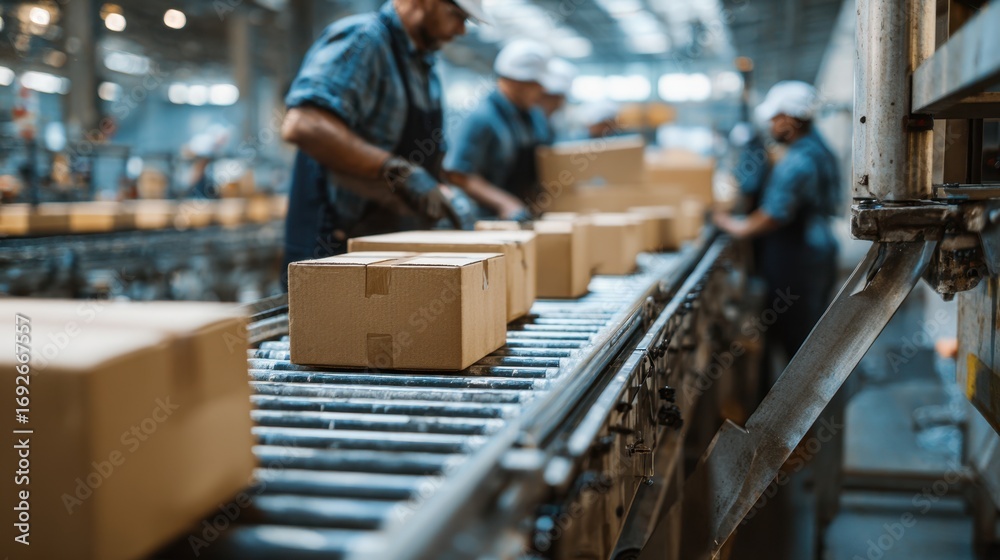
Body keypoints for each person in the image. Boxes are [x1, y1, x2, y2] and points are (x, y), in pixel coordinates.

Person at [280, 0, 486, 278]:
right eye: (456, 15)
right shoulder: (364, 40)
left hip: (388, 248)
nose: (462, 30)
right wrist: (398, 171)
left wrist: (444, 193)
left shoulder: (425, 65)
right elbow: (303, 125)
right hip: (335, 247)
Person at [713, 81, 840, 376]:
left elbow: (775, 213)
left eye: (774, 118)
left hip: (796, 256)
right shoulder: (819, 149)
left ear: (790, 119)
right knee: (810, 331)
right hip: (816, 249)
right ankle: (807, 395)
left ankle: (797, 409)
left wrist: (737, 227)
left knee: (794, 334)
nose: (771, 125)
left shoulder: (798, 159)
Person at [444, 39, 552, 221]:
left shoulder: (534, 117)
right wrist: (505, 203)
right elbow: (458, 174)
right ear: (513, 81)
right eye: (535, 84)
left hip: (523, 215)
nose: (542, 91)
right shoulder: (481, 116)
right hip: (485, 219)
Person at [536, 58, 577, 145]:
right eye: (551, 97)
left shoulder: (557, 120)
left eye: (560, 98)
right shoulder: (533, 118)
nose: (557, 103)